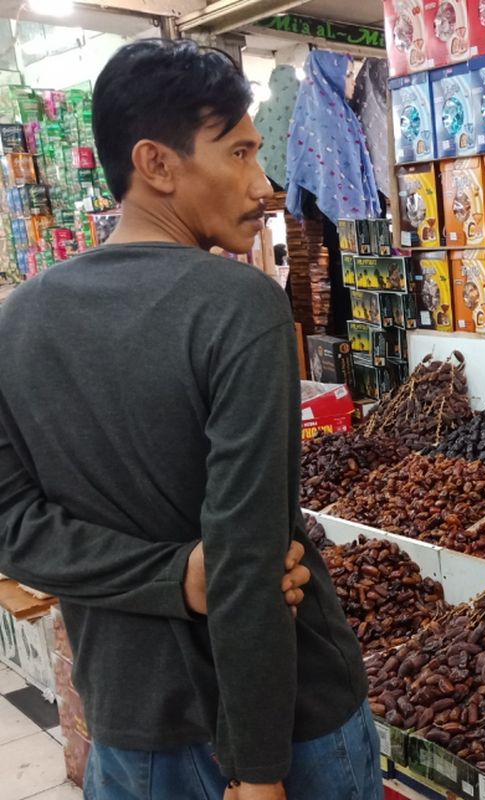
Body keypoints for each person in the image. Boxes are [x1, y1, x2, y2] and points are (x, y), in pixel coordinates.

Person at [0, 40, 378, 800]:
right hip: (288, 727)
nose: (264, 184)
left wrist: (169, 577)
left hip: (133, 732)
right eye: (238, 152)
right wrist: (260, 772)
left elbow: (13, 527)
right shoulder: (239, 307)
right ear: (157, 163)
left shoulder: (17, 324)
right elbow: (246, 556)